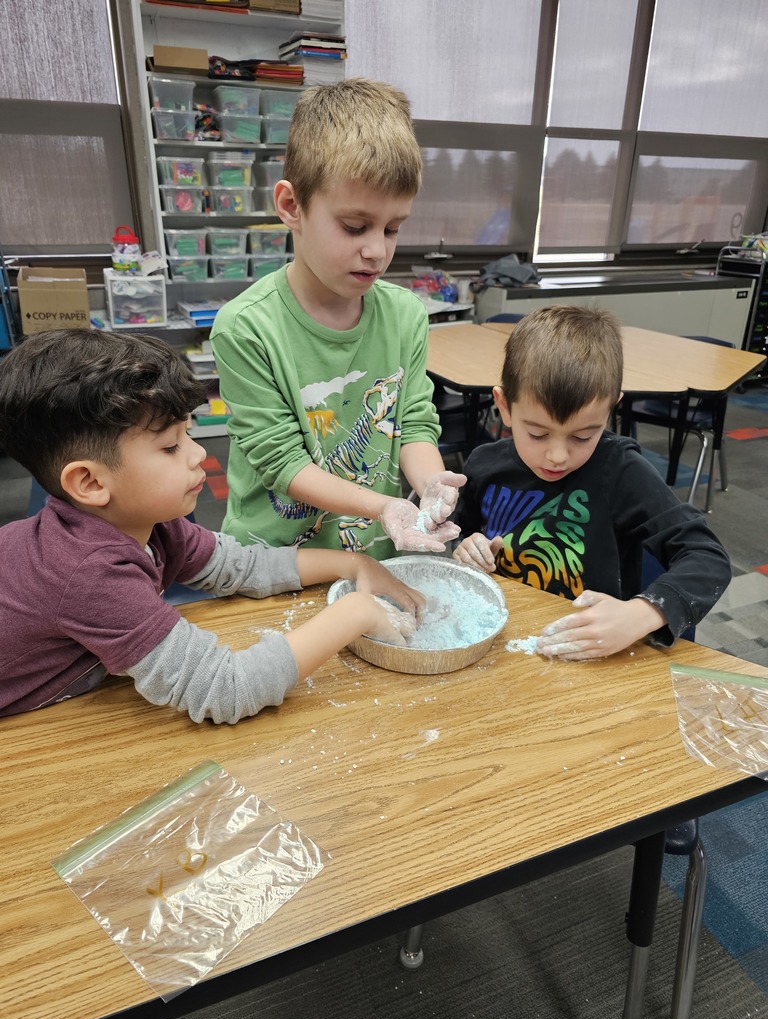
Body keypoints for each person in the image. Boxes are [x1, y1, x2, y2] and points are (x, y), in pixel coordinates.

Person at [0, 329, 426, 724]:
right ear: (90, 482)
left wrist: (350, 564)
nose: (198, 454)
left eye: (188, 435)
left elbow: (237, 565)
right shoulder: (90, 572)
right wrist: (354, 611)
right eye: (170, 447)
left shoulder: (151, 524)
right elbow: (223, 689)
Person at [210, 78, 464, 559]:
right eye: (354, 227)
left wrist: (431, 484)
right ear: (291, 207)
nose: (376, 250)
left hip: (370, 551)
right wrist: (385, 506)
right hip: (275, 562)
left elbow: (412, 422)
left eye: (392, 229)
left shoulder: (406, 314)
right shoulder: (246, 328)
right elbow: (282, 462)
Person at [452, 305, 732, 661]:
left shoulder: (621, 472)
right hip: (503, 643)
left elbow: (707, 558)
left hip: (592, 652)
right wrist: (465, 547)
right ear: (504, 406)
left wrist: (642, 613)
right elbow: (460, 533)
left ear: (611, 410)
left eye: (583, 437)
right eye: (537, 434)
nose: (557, 456)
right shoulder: (484, 464)